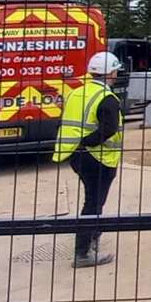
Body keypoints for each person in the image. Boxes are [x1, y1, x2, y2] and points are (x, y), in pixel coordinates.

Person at [53, 51, 124, 268]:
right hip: (98, 157)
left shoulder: (78, 93)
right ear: (110, 73)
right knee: (93, 202)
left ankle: (92, 237)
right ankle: (83, 251)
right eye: (115, 71)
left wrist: (81, 144)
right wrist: (89, 142)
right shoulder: (107, 98)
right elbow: (108, 129)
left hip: (75, 155)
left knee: (92, 199)